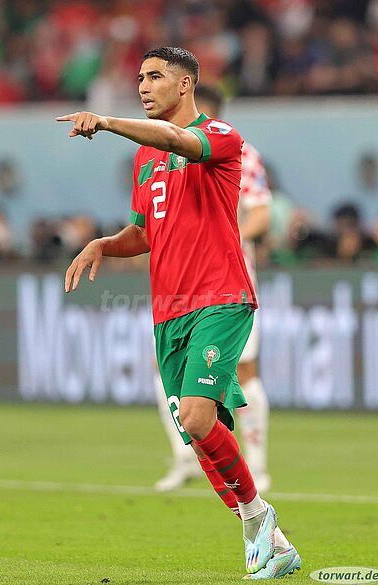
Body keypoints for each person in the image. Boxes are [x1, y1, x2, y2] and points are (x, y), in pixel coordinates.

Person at [57, 46, 300, 580]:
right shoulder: (145, 159)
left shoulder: (221, 136)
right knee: (199, 433)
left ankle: (258, 518)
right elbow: (144, 232)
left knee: (194, 416)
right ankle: (272, 539)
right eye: (140, 78)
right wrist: (104, 244)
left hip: (221, 297)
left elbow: (176, 139)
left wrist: (108, 123)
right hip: (168, 310)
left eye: (155, 76)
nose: (143, 86)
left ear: (186, 84)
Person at [154, 84, 272, 495]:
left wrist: (223, 238)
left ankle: (257, 463)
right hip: (180, 285)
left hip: (226, 282)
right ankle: (185, 457)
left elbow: (261, 213)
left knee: (244, 371)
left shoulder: (240, 151)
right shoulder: (162, 158)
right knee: (164, 369)